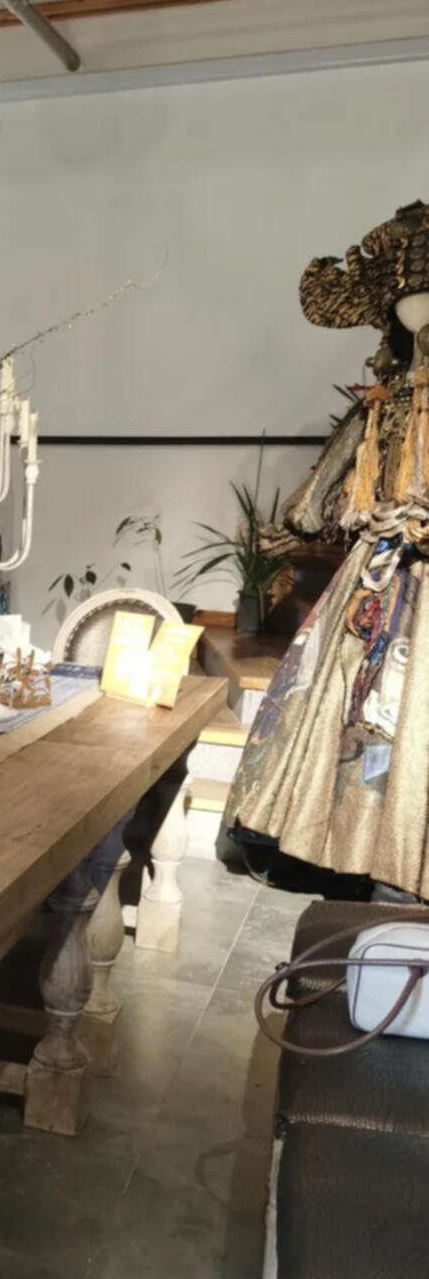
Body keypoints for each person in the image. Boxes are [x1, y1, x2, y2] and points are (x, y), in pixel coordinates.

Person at [227, 201, 429, 901]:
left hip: (396, 575)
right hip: (379, 577)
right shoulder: (382, 403)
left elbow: (312, 503)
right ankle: (349, 844)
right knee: (353, 707)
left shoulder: (386, 403)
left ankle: (392, 855)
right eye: (411, 305)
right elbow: (318, 497)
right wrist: (308, 520)